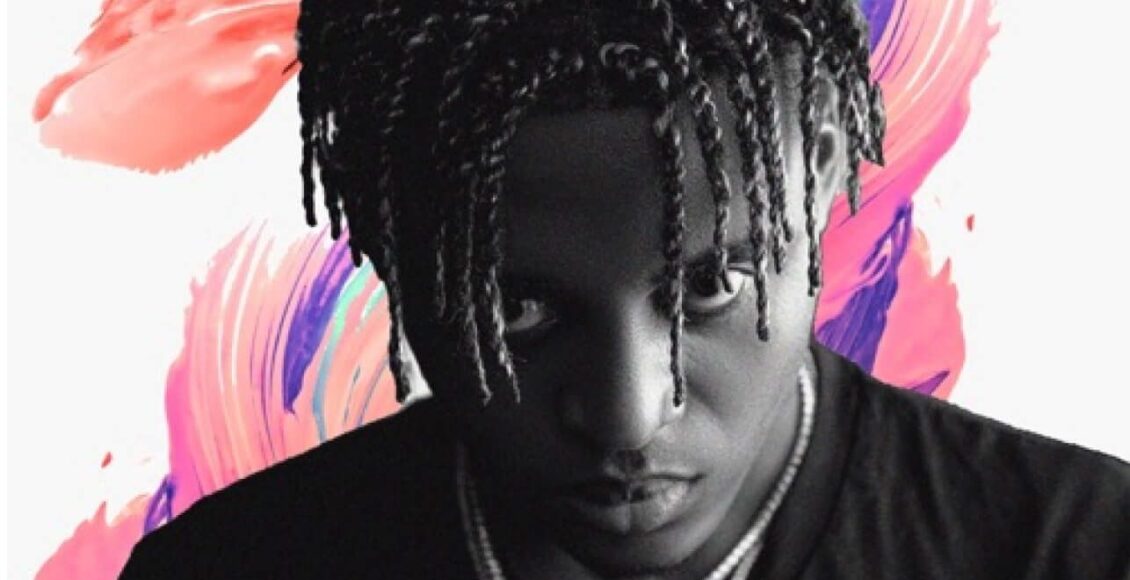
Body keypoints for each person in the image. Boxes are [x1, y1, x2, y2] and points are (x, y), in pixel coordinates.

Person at [118, 0, 1130, 578]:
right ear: (384, 234)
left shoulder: (1077, 552)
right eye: (515, 310)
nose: (626, 415)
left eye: (711, 285)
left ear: (821, 171)